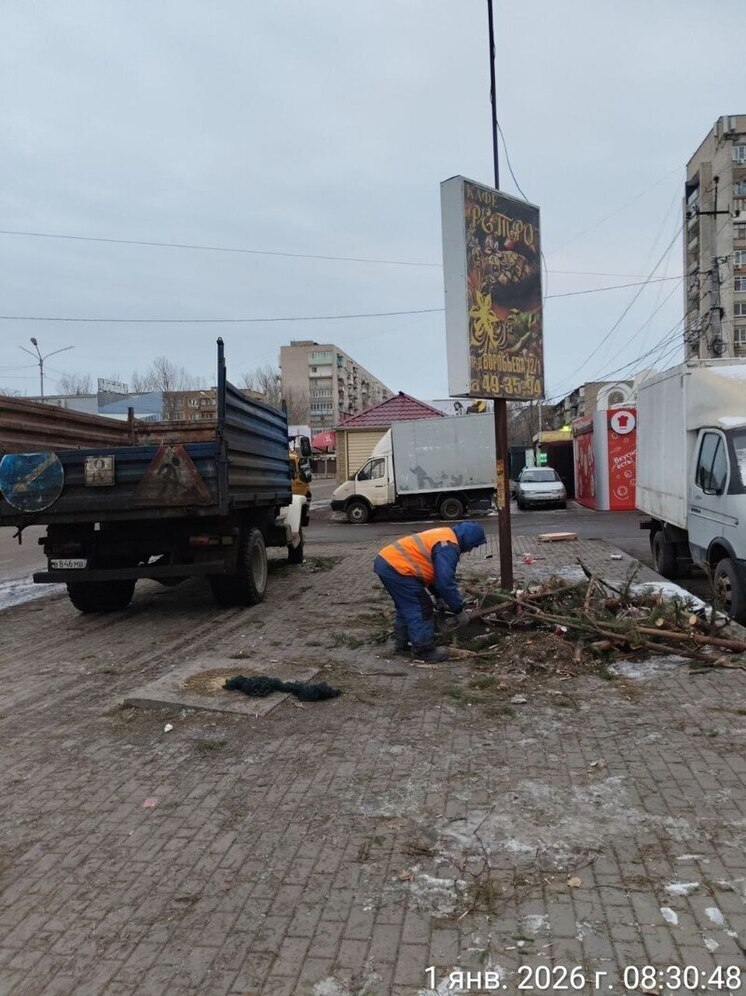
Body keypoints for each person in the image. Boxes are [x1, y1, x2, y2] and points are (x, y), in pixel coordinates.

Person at [373, 522, 487, 662]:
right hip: (397, 568)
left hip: (388, 563)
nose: (470, 550)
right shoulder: (448, 547)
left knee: (406, 607)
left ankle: (402, 644)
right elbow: (445, 582)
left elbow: (433, 573)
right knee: (421, 607)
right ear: (469, 539)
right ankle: (423, 651)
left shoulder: (445, 535)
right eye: (473, 546)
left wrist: (439, 598)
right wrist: (458, 610)